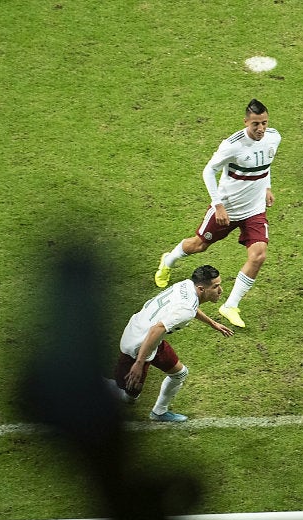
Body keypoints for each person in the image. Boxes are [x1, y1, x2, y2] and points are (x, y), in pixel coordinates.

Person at [154, 99, 281, 328]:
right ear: (245, 122)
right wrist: (218, 205)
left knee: (259, 255)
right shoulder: (232, 145)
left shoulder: (274, 137)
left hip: (254, 209)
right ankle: (168, 260)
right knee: (198, 245)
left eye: (264, 123)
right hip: (228, 208)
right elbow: (208, 171)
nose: (260, 129)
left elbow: (266, 165)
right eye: (255, 124)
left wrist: (267, 187)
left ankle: (230, 305)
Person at [110, 265, 233, 422]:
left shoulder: (187, 285)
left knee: (180, 373)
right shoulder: (186, 310)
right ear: (201, 289)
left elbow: (189, 307)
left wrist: (213, 324)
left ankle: (159, 412)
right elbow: (158, 328)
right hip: (137, 345)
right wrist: (139, 363)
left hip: (149, 335)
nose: (220, 291)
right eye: (216, 287)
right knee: (130, 397)